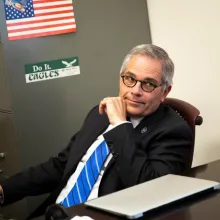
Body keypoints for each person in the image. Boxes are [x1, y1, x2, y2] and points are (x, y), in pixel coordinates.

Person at [0, 44, 193, 218]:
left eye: (148, 84)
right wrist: (4, 190)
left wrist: (120, 125)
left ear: (165, 92)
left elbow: (152, 191)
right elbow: (61, 166)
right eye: (130, 79)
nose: (135, 90)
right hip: (58, 211)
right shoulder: (100, 114)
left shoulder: (174, 131)